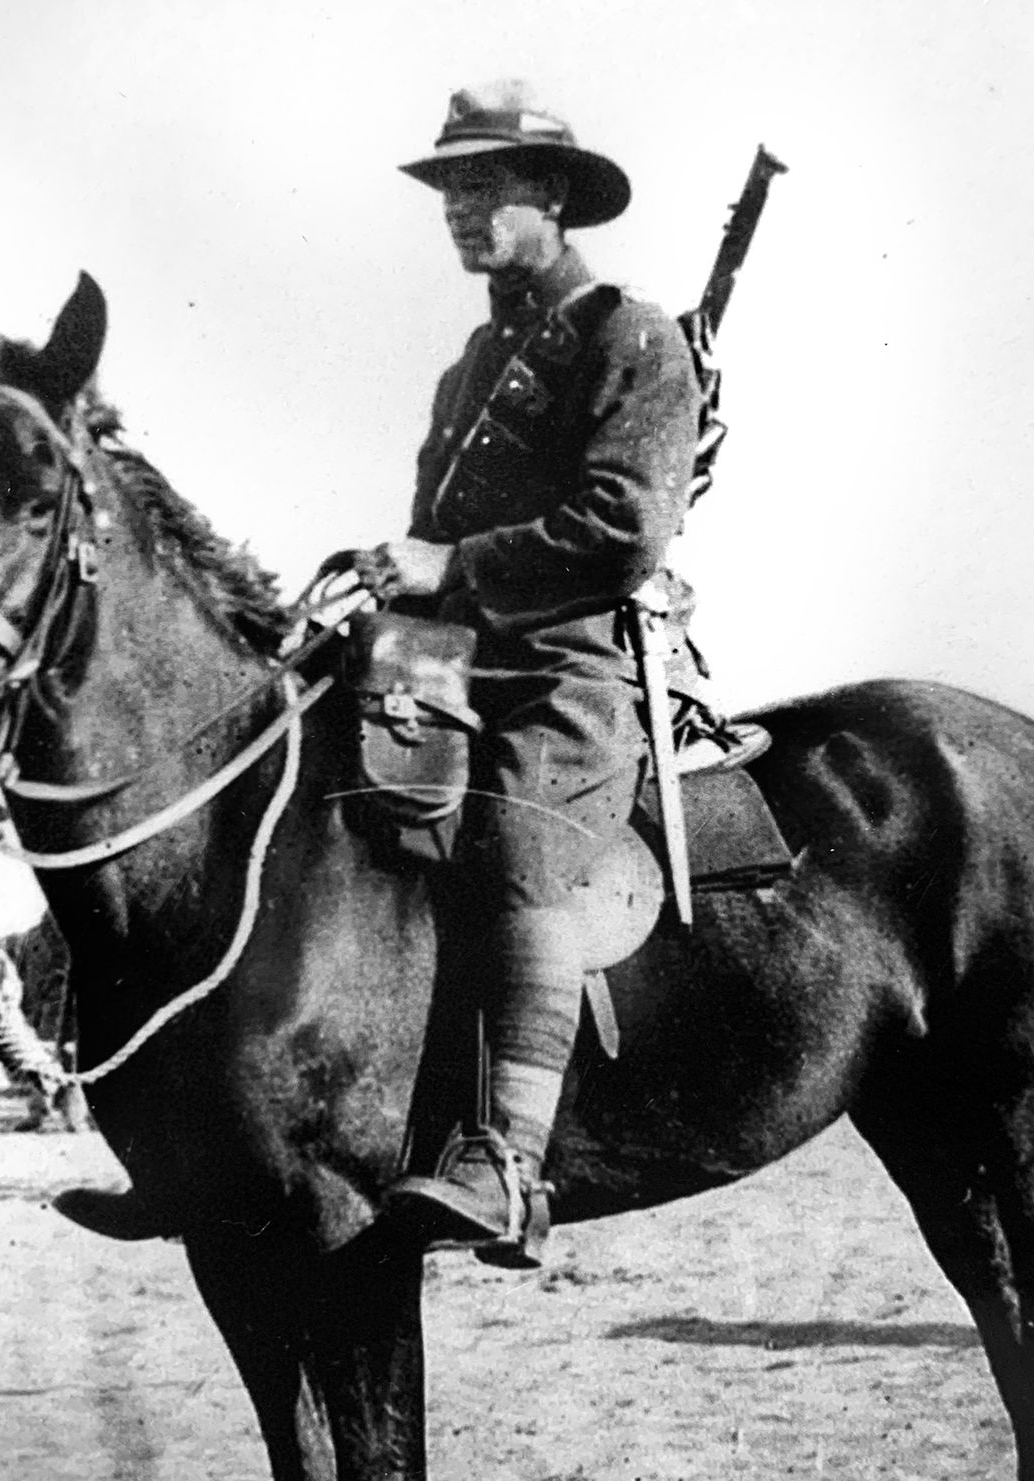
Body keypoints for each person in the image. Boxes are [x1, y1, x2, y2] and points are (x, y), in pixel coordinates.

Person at [344, 79, 737, 1267]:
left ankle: (509, 1160)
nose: (462, 209)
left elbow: (625, 528)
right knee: (344, 802)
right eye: (450, 189)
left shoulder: (630, 334)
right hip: (455, 659)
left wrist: (449, 559)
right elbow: (428, 558)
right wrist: (383, 605)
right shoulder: (466, 370)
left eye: (487, 184)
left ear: (553, 197)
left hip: (567, 670)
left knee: (512, 838)